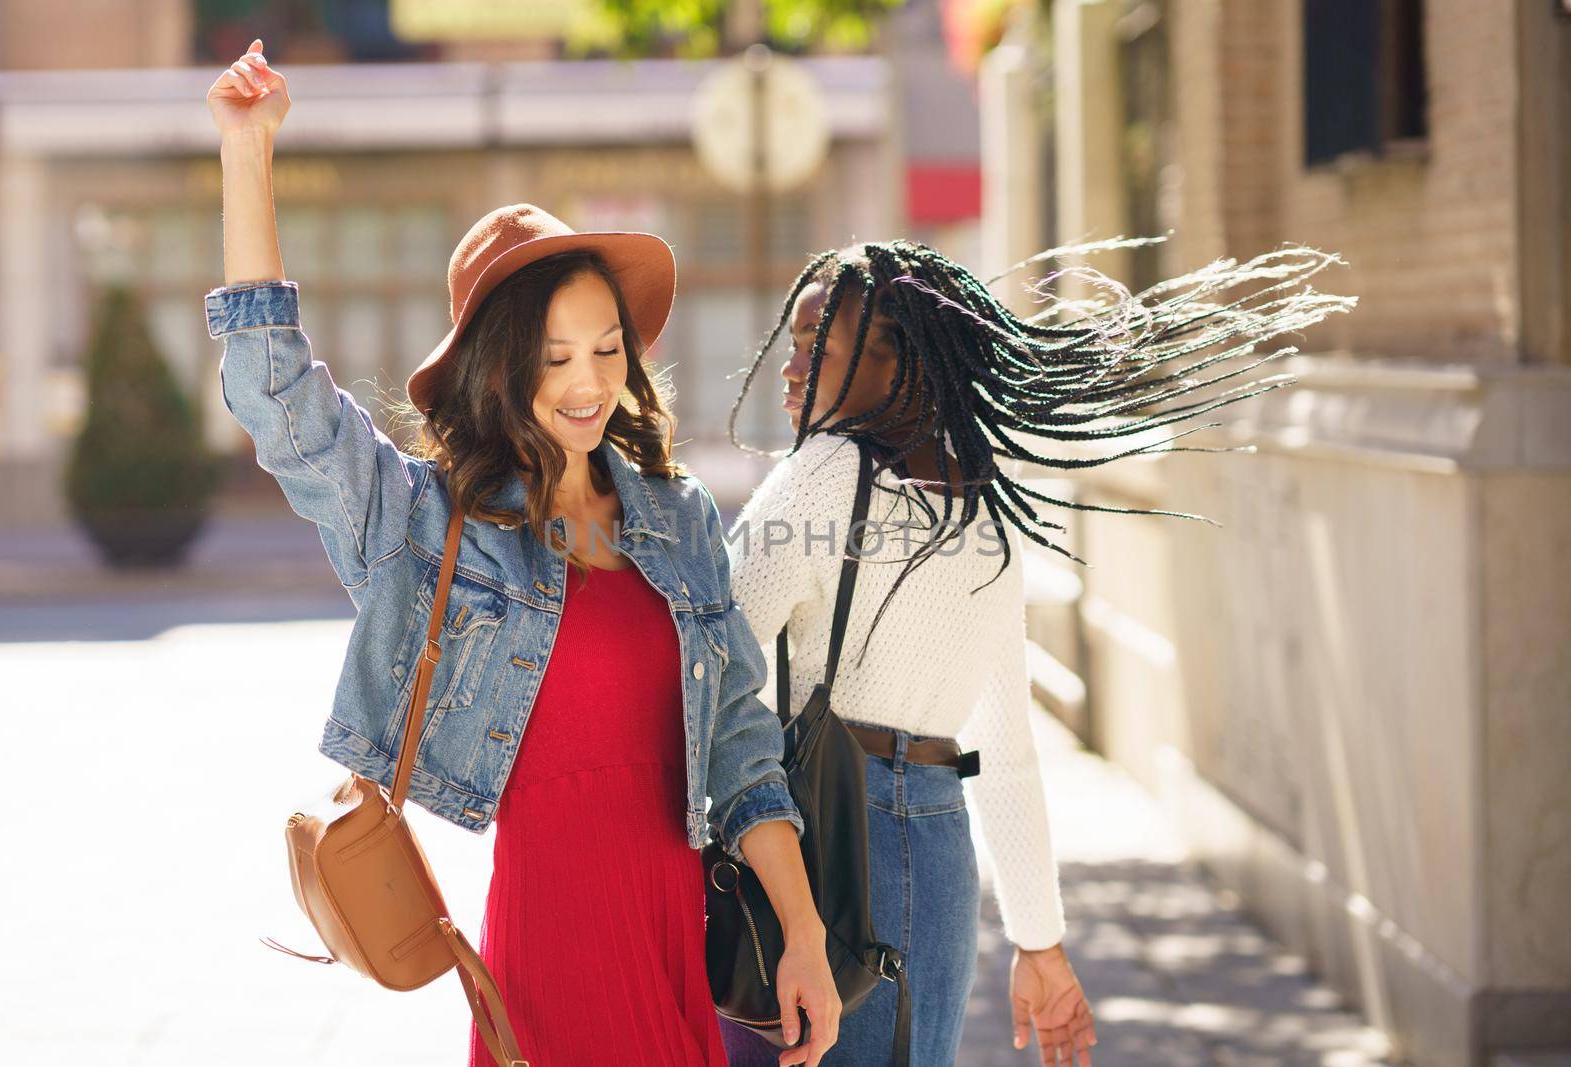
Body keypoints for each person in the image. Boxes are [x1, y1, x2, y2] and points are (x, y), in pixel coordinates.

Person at [203, 40, 841, 1067]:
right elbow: (283, 406)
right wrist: (246, 153)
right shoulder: (428, 528)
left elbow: (738, 749)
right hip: (549, 951)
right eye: (552, 355)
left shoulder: (675, 520)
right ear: (499, 368)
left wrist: (802, 933)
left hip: (671, 936)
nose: (586, 380)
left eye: (604, 348)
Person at [716, 239, 1353, 1066]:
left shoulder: (820, 476)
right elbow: (1006, 749)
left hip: (830, 834)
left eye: (818, 347)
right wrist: (1040, 943)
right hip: (943, 848)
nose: (790, 365)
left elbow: (710, 665)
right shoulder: (983, 512)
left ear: (894, 363)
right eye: (793, 342)